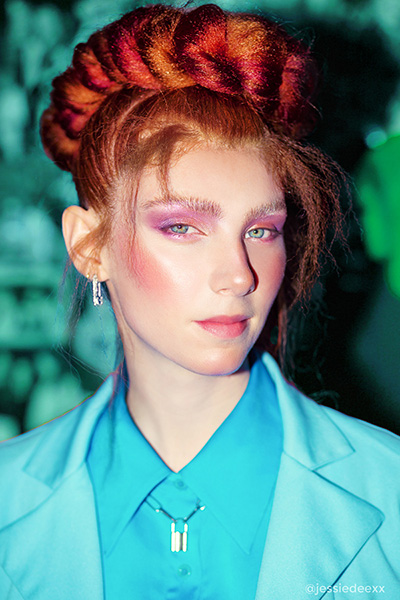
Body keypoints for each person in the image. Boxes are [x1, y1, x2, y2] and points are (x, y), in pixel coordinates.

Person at [1, 4, 399, 599]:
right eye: (182, 227)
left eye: (261, 230)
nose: (238, 275)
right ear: (89, 246)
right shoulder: (9, 499)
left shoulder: (389, 491)